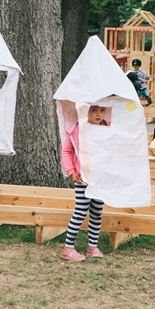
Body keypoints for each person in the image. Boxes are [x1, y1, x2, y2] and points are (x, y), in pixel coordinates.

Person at [60, 104, 109, 262]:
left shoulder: (108, 128)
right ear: (85, 110)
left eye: (102, 110)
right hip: (82, 177)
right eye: (94, 110)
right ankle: (68, 248)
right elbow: (67, 151)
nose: (98, 114)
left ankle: (92, 246)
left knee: (96, 212)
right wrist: (71, 171)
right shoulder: (77, 129)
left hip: (100, 178)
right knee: (81, 211)